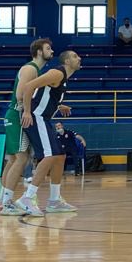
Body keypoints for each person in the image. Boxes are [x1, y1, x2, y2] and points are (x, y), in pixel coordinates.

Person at [15, 50, 82, 216]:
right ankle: (27, 198)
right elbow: (29, 87)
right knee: (50, 155)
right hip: (36, 117)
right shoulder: (57, 73)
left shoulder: (62, 78)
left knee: (60, 156)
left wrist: (59, 105)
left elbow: (44, 94)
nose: (79, 58)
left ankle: (54, 200)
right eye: (74, 56)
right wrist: (27, 112)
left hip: (43, 118)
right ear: (66, 60)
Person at [0, 38, 56, 216]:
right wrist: (28, 112)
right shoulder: (31, 69)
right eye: (48, 48)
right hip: (18, 115)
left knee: (14, 160)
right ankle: (6, 202)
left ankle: (2, 201)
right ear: (39, 51)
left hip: (13, 115)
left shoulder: (34, 69)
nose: (51, 51)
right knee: (21, 158)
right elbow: (21, 94)